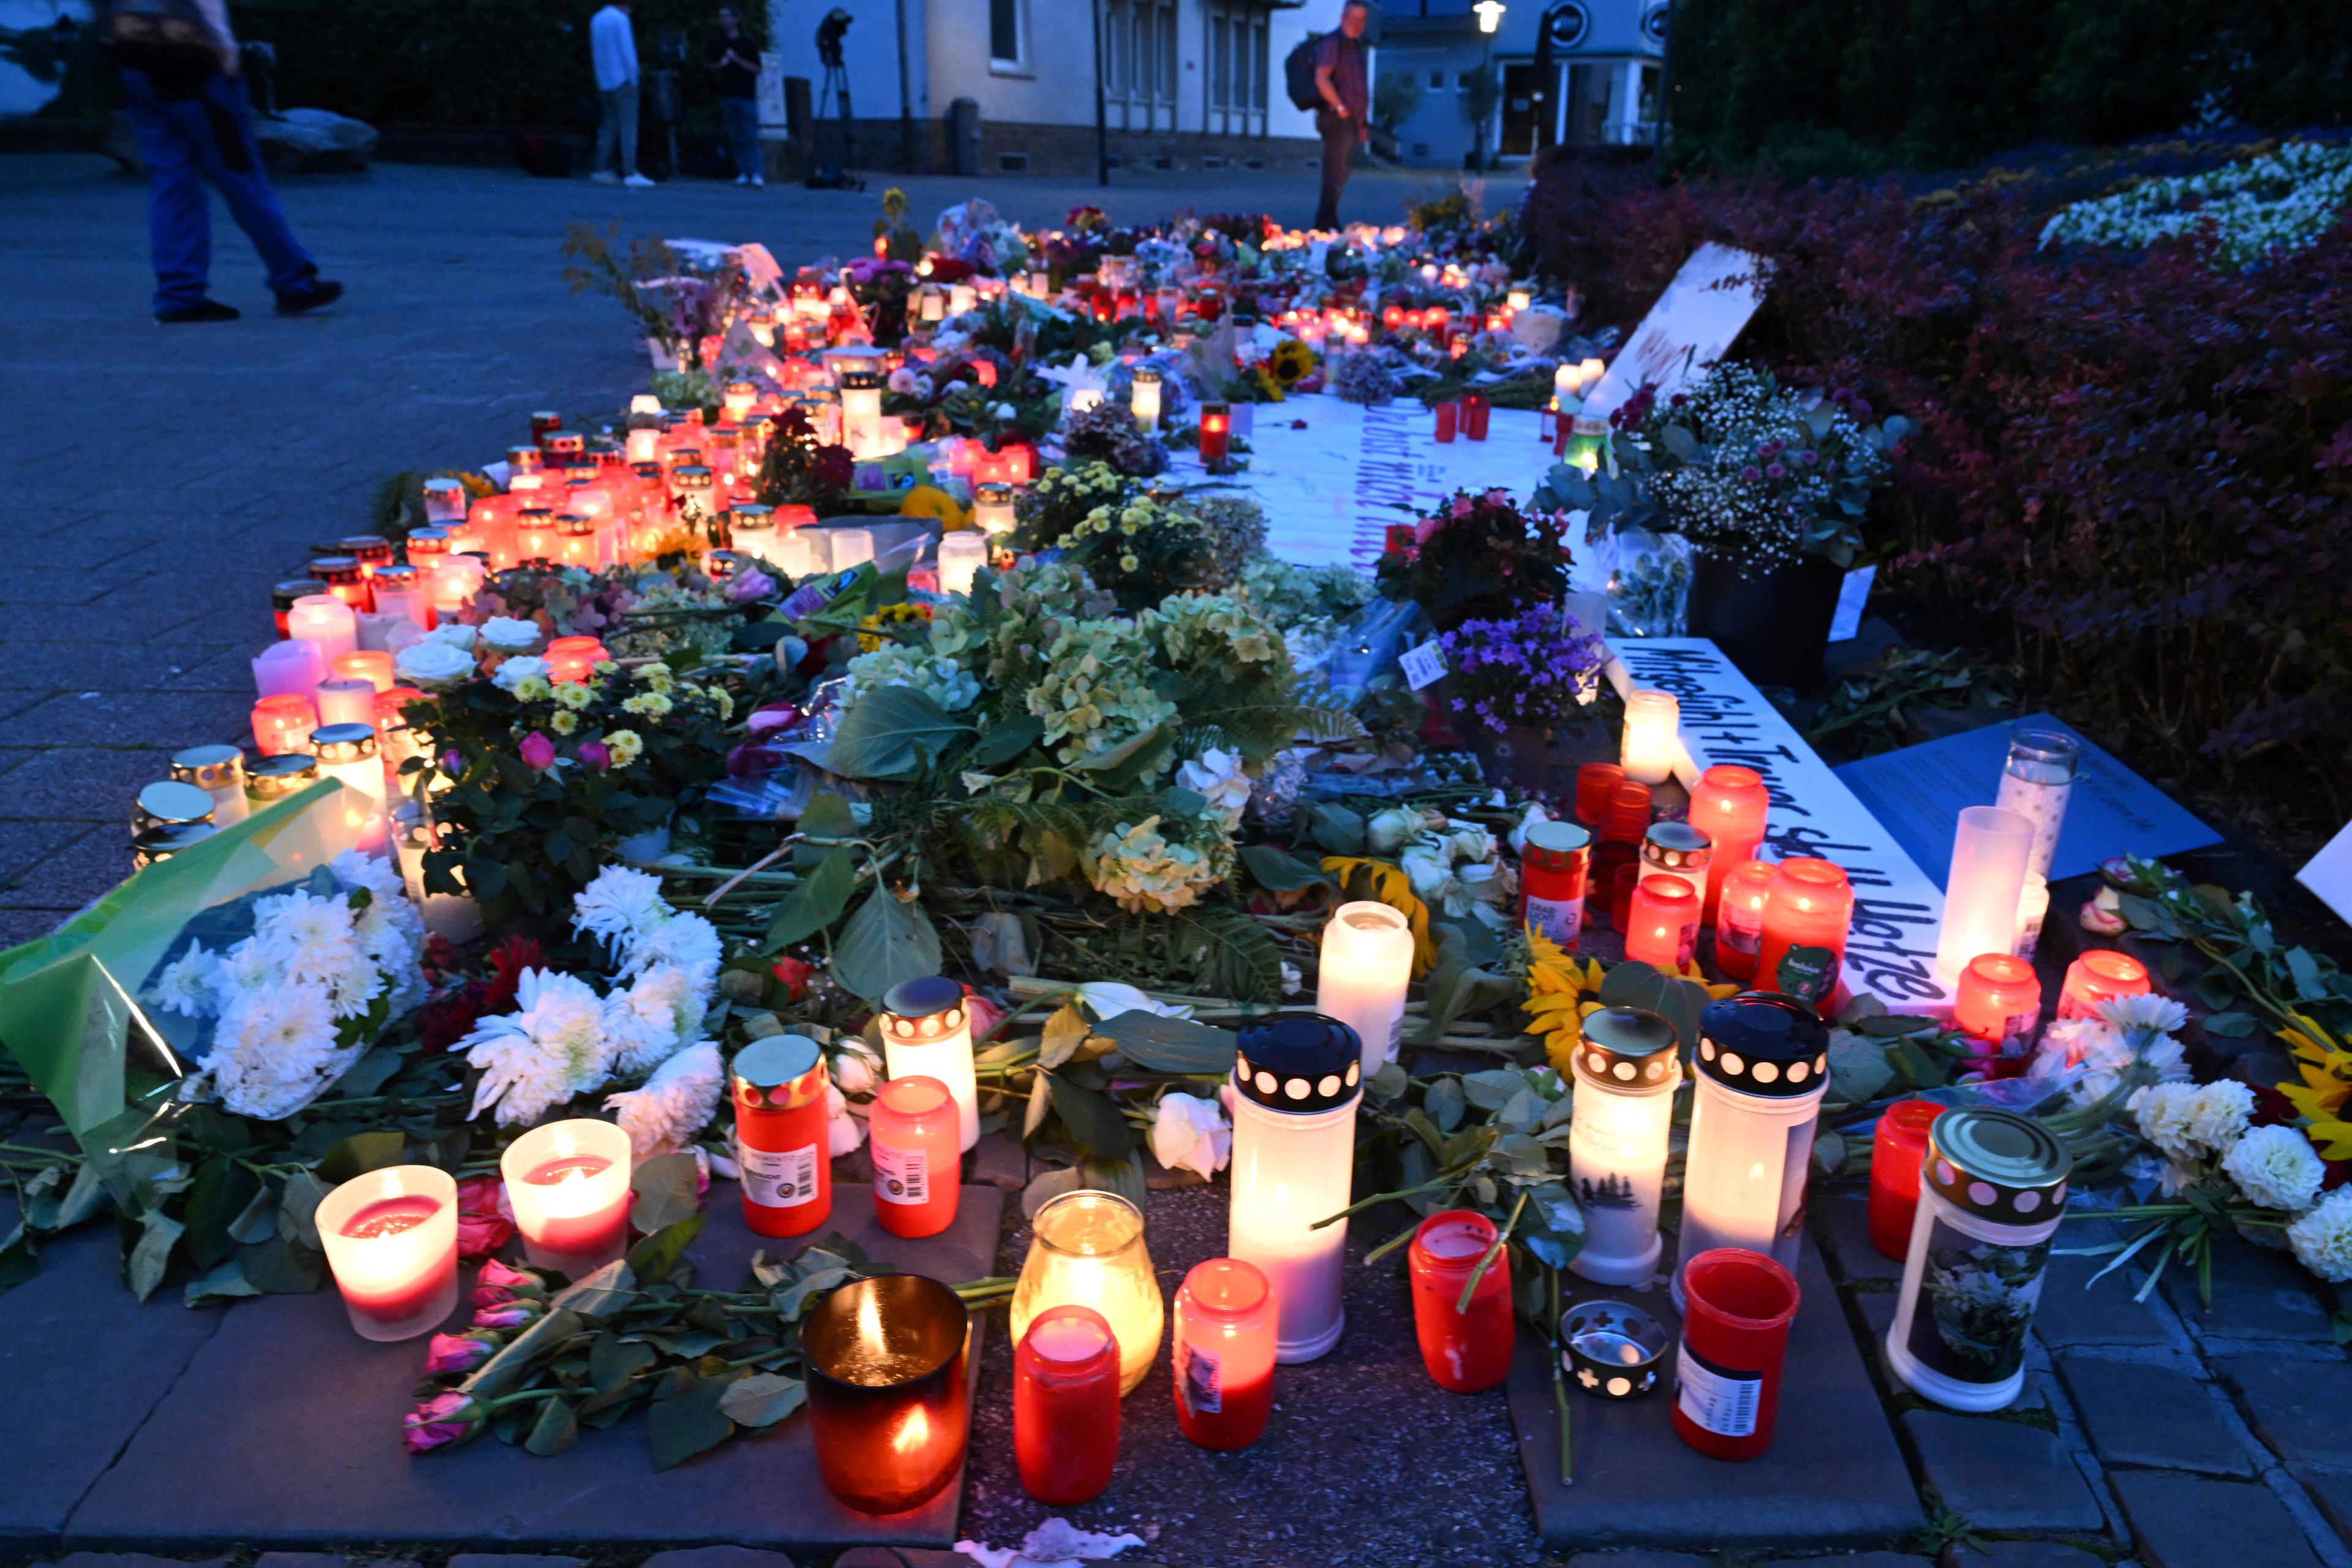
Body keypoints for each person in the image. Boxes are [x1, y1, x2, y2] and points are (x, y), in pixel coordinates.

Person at [110, 0, 342, 323]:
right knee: (240, 177)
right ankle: (294, 281)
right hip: (192, 62)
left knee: (172, 183)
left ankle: (179, 294)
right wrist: (222, 41)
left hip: (135, 61)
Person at [1311, 0, 1371, 231]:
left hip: (1352, 121)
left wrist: (1362, 123)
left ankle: (1329, 219)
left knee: (1342, 171)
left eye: (1362, 19)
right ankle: (1324, 224)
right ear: (1343, 16)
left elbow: (1361, 88)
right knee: (1335, 170)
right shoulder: (1333, 43)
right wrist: (1340, 107)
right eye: (1354, 18)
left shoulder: (1357, 48)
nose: (1358, 24)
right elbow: (1321, 78)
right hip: (1337, 119)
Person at [591, 0, 654, 187]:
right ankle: (630, 170)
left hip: (605, 81)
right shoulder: (621, 20)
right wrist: (634, 78)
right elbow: (628, 52)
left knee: (610, 124)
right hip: (622, 80)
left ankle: (600, 167)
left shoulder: (597, 18)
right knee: (628, 126)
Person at [709, 7, 763, 187]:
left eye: (726, 17)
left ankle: (756, 172)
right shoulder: (719, 43)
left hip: (746, 95)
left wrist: (737, 59)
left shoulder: (747, 44)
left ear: (736, 19)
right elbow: (712, 66)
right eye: (721, 17)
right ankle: (742, 172)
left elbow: (757, 69)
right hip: (728, 95)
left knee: (750, 135)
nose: (723, 20)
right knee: (736, 136)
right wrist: (722, 64)